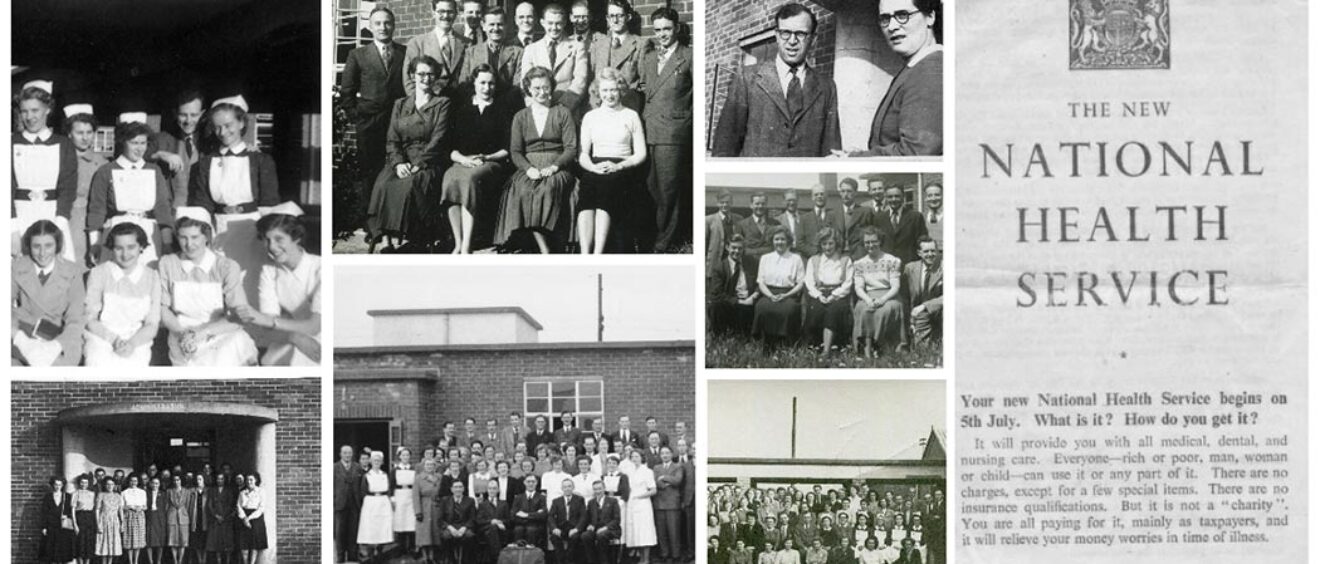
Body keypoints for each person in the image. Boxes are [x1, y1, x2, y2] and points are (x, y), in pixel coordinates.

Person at [187, 96, 281, 306]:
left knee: (252, 283)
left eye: (228, 125)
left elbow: (269, 203)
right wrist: (206, 233)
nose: (223, 132)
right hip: (220, 230)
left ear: (241, 123)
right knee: (222, 283)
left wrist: (269, 237)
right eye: (217, 127)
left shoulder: (260, 160)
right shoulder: (205, 163)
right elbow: (202, 204)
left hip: (252, 229)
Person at [712, 3, 840, 157]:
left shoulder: (826, 87)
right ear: (777, 35)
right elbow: (724, 148)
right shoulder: (747, 79)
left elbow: (831, 152)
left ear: (812, 39)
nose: (792, 41)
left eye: (801, 34)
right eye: (786, 33)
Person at [366, 55, 453, 252]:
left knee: (411, 184)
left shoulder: (442, 103)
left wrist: (418, 163)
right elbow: (392, 139)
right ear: (413, 75)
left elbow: (438, 139)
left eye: (431, 74)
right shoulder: (400, 104)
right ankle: (386, 241)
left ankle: (416, 237)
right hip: (403, 158)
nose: (426, 79)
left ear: (436, 77)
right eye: (421, 74)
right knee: (383, 183)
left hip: (428, 160)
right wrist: (397, 163)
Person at [843, 0, 943, 157]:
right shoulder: (914, 68)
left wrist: (853, 159)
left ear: (930, 17)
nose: (892, 26)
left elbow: (916, 153)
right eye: (885, 18)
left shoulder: (931, 69)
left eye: (902, 15)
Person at [495, 66, 579, 253]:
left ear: (552, 88)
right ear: (528, 90)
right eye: (536, 88)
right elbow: (515, 151)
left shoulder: (562, 113)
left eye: (546, 87)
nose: (542, 92)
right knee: (523, 190)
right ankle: (542, 248)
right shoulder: (521, 117)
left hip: (557, 165)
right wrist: (528, 169)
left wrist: (555, 167)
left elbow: (571, 148)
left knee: (548, 189)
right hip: (529, 166)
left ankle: (548, 244)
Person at [158, 211, 258, 366]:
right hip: (182, 335)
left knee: (231, 351)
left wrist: (202, 333)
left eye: (195, 237)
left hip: (219, 332)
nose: (189, 244)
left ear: (206, 237)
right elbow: (163, 309)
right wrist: (182, 333)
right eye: (183, 237)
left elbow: (239, 316)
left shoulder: (226, 267)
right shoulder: (168, 263)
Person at [341, 7, 407, 213]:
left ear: (394, 26)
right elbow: (347, 91)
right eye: (378, 23)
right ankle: (371, 221)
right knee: (370, 171)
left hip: (397, 121)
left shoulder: (404, 52)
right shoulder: (358, 55)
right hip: (369, 123)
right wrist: (357, 117)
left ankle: (392, 217)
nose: (383, 27)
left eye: (387, 23)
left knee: (397, 167)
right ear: (370, 27)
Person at [442, 64, 513, 254]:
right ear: (474, 83)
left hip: (491, 163)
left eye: (491, 83)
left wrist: (487, 157)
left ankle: (467, 246)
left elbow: (508, 149)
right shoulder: (462, 110)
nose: (486, 88)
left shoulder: (502, 110)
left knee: (469, 179)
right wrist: (463, 160)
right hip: (463, 161)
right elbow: (450, 147)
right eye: (482, 83)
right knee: (449, 178)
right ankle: (458, 241)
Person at [235, 208, 322, 365]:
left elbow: (315, 326)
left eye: (279, 239)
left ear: (296, 238)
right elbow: (268, 326)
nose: (272, 247)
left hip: (324, 338)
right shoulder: (269, 271)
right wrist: (293, 336)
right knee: (270, 360)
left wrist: (268, 321)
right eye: (267, 240)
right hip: (290, 336)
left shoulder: (320, 268)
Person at [576, 67, 647, 254]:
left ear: (621, 90)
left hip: (623, 166)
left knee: (607, 187)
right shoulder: (590, 117)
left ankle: (598, 252)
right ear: (598, 92)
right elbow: (583, 154)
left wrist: (619, 166)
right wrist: (592, 167)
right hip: (596, 165)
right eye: (605, 90)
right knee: (587, 187)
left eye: (614, 89)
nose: (609, 95)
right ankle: (585, 252)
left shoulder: (631, 115)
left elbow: (640, 154)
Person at [639, 8, 693, 252]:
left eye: (667, 29)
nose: (662, 34)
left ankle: (664, 243)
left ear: (677, 29)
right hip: (648, 129)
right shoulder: (649, 58)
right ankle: (649, 236)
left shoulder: (688, 56)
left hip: (673, 132)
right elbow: (644, 88)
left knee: (668, 189)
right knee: (650, 187)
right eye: (658, 29)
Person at [86, 119, 175, 267]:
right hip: (116, 234)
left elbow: (162, 207)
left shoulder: (154, 170)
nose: (139, 149)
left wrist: (167, 241)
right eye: (134, 143)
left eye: (143, 143)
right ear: (122, 142)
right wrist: (95, 243)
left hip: (148, 234)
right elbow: (97, 209)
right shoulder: (106, 171)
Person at [13, 81, 78, 262]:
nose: (29, 116)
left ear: (47, 109)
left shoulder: (64, 144)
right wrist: (11, 230)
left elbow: (68, 188)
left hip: (53, 214)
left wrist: (59, 226)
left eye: (35, 110)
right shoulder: (9, 143)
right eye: (24, 111)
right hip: (18, 217)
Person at [82, 221, 160, 367]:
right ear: (112, 248)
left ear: (141, 247)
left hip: (137, 339)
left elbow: (152, 324)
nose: (125, 254)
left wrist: (132, 344)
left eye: (131, 247)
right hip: (102, 338)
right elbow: (89, 318)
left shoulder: (152, 277)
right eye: (119, 248)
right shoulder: (99, 273)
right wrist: (114, 340)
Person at [12, 220, 86, 366]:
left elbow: (76, 316)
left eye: (48, 246)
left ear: (57, 246)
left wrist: (57, 345)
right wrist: (19, 337)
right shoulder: (17, 266)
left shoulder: (72, 271)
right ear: (28, 246)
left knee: (60, 366)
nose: (42, 253)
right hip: (23, 329)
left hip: (58, 333)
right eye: (36, 246)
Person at [518, 4, 588, 112]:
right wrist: (536, 106)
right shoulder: (531, 49)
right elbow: (525, 83)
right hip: (539, 109)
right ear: (542, 23)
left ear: (564, 23)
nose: (554, 28)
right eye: (550, 23)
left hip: (568, 110)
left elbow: (580, 79)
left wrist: (563, 107)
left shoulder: (577, 46)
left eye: (558, 23)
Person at [851, 227, 904, 357]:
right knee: (863, 309)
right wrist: (868, 300)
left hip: (889, 296)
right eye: (867, 242)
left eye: (874, 241)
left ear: (880, 241)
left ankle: (880, 345)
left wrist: (882, 300)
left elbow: (895, 286)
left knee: (884, 311)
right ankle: (867, 348)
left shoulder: (891, 260)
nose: (870, 245)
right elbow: (858, 287)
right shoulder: (860, 263)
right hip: (868, 295)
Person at [63, 105, 106, 266]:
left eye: (89, 132)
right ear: (69, 134)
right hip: (70, 220)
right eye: (79, 133)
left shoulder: (101, 162)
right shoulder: (62, 159)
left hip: (95, 221)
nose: (85, 137)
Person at [150, 90, 206, 207]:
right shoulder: (161, 139)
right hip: (172, 210)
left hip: (202, 211)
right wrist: (159, 154)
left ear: (202, 114)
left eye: (194, 115)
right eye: (183, 115)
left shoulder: (210, 140)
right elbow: (137, 157)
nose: (188, 121)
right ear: (175, 113)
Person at [462, 7, 525, 110]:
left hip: (507, 108)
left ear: (506, 26)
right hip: (479, 108)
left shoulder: (518, 52)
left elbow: (517, 86)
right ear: (483, 26)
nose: (496, 28)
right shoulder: (471, 52)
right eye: (491, 24)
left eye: (500, 24)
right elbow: (464, 84)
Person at [403, 0, 469, 98]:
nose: (446, 16)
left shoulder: (467, 43)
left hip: (459, 103)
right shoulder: (417, 43)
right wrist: (421, 103)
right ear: (433, 13)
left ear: (456, 13)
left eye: (450, 12)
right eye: (441, 12)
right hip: (430, 104)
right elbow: (408, 79)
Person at [803, 227, 854, 354]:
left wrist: (834, 296)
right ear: (820, 245)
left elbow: (848, 283)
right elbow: (809, 282)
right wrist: (819, 295)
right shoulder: (814, 260)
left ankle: (827, 350)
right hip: (819, 293)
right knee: (817, 309)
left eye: (830, 243)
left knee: (833, 310)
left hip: (839, 294)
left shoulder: (845, 260)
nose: (827, 247)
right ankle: (814, 345)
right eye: (824, 244)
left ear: (836, 243)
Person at [752, 226, 805, 344]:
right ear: (772, 241)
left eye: (782, 239)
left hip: (789, 293)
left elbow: (801, 283)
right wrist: (770, 296)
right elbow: (761, 282)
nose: (779, 242)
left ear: (788, 241)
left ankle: (785, 341)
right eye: (776, 239)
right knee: (762, 307)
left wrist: (786, 295)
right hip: (768, 293)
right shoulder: (765, 258)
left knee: (788, 309)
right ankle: (766, 341)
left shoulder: (796, 258)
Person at [904, 237, 943, 348]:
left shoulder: (945, 268)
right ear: (919, 253)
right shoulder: (910, 268)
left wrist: (925, 306)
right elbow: (905, 295)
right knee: (920, 349)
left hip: (939, 312)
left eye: (933, 251)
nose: (930, 254)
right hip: (917, 314)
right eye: (926, 251)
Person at [872, 186, 927, 264]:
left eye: (897, 196)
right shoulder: (879, 218)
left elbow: (922, 243)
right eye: (890, 197)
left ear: (903, 197)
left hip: (909, 265)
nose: (893, 199)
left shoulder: (916, 217)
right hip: (886, 265)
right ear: (886, 198)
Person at [357, 451, 394, 560]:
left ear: (382, 462)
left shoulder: (384, 475)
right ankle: (371, 554)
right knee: (371, 528)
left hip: (383, 502)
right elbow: (363, 491)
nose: (376, 462)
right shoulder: (367, 476)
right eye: (374, 460)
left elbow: (389, 490)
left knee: (383, 527)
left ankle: (380, 550)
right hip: (371, 503)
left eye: (379, 460)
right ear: (371, 462)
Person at [624, 450, 657, 563]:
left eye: (637, 456)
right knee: (636, 531)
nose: (634, 459)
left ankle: (646, 560)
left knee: (645, 532)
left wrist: (640, 496)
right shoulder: (629, 471)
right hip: (632, 504)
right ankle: (640, 558)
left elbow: (653, 490)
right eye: (632, 456)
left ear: (642, 457)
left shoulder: (647, 471)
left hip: (643, 505)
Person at [653, 447, 684, 563]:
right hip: (659, 503)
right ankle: (664, 554)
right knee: (662, 531)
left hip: (672, 503)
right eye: (662, 453)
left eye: (667, 453)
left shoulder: (678, 466)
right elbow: (655, 482)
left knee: (673, 530)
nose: (665, 455)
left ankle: (675, 554)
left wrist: (664, 477)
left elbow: (677, 481)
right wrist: (664, 483)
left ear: (671, 454)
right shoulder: (656, 467)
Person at [437, 480, 477, 564]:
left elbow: (472, 518)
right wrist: (450, 528)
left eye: (460, 487)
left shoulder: (470, 500)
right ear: (451, 489)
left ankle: (465, 560)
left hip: (464, 526)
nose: (458, 489)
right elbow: (440, 519)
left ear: (463, 489)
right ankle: (450, 560)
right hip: (450, 526)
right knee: (446, 536)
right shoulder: (445, 500)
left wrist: (464, 528)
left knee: (470, 536)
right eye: (455, 487)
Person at [39, 477, 77, 564]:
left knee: (63, 550)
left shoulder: (67, 496)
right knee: (52, 550)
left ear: (62, 485)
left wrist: (67, 516)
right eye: (56, 484)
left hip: (63, 526)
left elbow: (72, 511)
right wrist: (44, 527)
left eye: (60, 485)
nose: (58, 486)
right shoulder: (48, 497)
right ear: (52, 485)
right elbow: (44, 512)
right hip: (51, 526)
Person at [583, 480, 622, 564]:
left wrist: (605, 528)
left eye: (600, 489)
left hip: (611, 529)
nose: (597, 491)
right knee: (585, 536)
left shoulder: (613, 501)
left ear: (604, 489)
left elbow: (617, 519)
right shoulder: (591, 502)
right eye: (595, 489)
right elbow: (588, 518)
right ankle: (592, 561)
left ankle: (604, 561)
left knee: (601, 536)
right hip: (596, 529)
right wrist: (590, 525)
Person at [550, 479, 588, 562]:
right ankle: (561, 560)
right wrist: (554, 528)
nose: (567, 489)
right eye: (565, 487)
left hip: (574, 528)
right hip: (561, 528)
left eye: (569, 486)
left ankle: (569, 560)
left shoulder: (580, 499)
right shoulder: (556, 501)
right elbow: (551, 516)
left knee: (575, 538)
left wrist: (577, 529)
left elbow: (583, 516)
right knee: (554, 537)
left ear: (573, 487)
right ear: (562, 488)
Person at [414, 457, 443, 564]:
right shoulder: (419, 478)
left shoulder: (439, 477)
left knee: (434, 532)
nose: (429, 467)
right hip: (424, 506)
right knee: (424, 533)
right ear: (423, 466)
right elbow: (415, 496)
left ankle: (433, 556)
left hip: (436, 507)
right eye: (427, 465)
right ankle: (425, 557)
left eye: (432, 465)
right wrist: (418, 511)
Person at [476, 479, 512, 563]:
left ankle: (494, 558)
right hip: (486, 530)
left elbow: (508, 520)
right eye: (490, 488)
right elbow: (479, 520)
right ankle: (498, 557)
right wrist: (492, 521)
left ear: (498, 490)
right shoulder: (482, 504)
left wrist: (500, 522)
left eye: (494, 488)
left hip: (502, 529)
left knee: (495, 529)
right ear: (487, 490)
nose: (492, 490)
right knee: (493, 528)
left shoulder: (504, 504)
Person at [705, 190, 743, 268]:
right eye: (722, 202)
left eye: (727, 202)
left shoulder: (739, 219)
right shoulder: (708, 220)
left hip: (733, 262)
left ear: (732, 203)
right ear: (717, 203)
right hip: (714, 263)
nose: (725, 205)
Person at [205, 473, 237, 564]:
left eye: (222, 479)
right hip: (215, 521)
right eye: (218, 479)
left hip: (226, 520)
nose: (220, 480)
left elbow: (230, 504)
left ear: (224, 480)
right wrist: (216, 515)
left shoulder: (229, 491)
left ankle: (227, 561)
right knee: (216, 544)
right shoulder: (212, 490)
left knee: (227, 544)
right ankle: (218, 561)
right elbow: (209, 505)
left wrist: (224, 516)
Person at [392, 447, 418, 554]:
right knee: (400, 520)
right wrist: (392, 498)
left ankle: (411, 546)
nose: (405, 457)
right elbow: (391, 485)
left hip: (411, 495)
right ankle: (401, 547)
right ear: (399, 457)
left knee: (411, 521)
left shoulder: (413, 469)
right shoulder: (395, 470)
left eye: (407, 455)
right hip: (399, 495)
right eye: (403, 455)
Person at [735, 192, 778, 258]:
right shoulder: (741, 225)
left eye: (763, 204)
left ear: (766, 205)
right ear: (751, 205)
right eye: (757, 204)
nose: (760, 206)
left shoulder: (775, 224)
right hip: (750, 264)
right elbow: (738, 247)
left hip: (770, 263)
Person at [237, 473, 268, 564]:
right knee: (244, 544)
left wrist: (249, 518)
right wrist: (244, 518)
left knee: (254, 544)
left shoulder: (261, 492)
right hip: (243, 518)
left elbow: (261, 508)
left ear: (256, 480)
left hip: (256, 518)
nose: (249, 482)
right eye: (247, 480)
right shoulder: (242, 492)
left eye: (251, 480)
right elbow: (238, 506)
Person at [94, 478, 124, 564]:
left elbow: (120, 510)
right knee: (104, 543)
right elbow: (97, 510)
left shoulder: (118, 496)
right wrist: (98, 524)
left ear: (114, 485)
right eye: (108, 484)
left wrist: (122, 523)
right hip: (103, 520)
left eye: (111, 484)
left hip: (114, 521)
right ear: (104, 485)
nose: (110, 486)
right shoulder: (101, 495)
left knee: (113, 543)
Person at [511, 474, 548, 546]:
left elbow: (543, 515)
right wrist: (535, 514)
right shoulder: (518, 498)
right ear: (524, 482)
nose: (531, 484)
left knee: (531, 530)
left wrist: (526, 515)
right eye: (528, 481)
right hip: (520, 524)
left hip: (536, 525)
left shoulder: (542, 498)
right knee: (518, 530)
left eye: (533, 481)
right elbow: (513, 514)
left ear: (536, 483)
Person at [165, 475, 192, 564]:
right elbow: (167, 505)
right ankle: (175, 561)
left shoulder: (187, 491)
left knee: (183, 540)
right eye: (174, 480)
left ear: (181, 481)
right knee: (172, 540)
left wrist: (184, 513)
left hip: (183, 517)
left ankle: (180, 560)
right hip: (172, 517)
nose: (176, 482)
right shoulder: (169, 491)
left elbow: (188, 505)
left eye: (178, 480)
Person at [121, 475, 147, 564]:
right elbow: (121, 506)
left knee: (138, 539)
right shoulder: (124, 492)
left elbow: (145, 506)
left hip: (139, 515)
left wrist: (140, 508)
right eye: (131, 481)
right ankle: (130, 561)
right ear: (129, 481)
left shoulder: (142, 492)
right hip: (128, 516)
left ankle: (136, 561)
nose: (133, 483)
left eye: (135, 481)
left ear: (138, 481)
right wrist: (129, 507)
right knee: (129, 539)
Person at [188, 474, 210, 563]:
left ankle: (203, 560)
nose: (198, 481)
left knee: (205, 540)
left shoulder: (208, 490)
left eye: (200, 479)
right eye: (197, 479)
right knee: (196, 540)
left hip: (205, 517)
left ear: (204, 480)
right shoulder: (192, 491)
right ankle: (199, 559)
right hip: (195, 517)